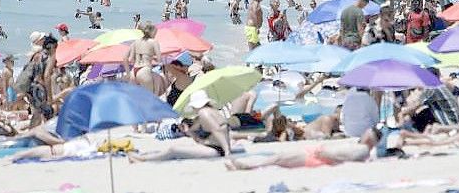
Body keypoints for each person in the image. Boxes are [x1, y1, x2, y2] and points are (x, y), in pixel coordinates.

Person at [128, 90, 231, 162]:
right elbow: (202, 137)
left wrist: (227, 152)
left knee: (173, 150)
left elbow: (217, 130)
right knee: (179, 149)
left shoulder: (204, 113)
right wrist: (189, 132)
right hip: (214, 147)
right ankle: (145, 157)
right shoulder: (211, 112)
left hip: (216, 150)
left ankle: (143, 159)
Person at [224, 127, 381, 170]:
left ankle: (248, 166)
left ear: (370, 137)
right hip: (318, 154)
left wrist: (324, 153)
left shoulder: (362, 149)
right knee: (280, 156)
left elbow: (346, 159)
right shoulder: (360, 146)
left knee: (279, 158)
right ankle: (248, 165)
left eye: (368, 131)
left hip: (318, 157)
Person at [125, 22, 162, 94]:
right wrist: (152, 57)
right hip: (144, 70)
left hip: (134, 71)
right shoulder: (153, 42)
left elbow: (127, 58)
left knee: (134, 100)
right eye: (155, 33)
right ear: (151, 32)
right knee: (149, 99)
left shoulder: (135, 42)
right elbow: (159, 59)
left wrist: (128, 73)